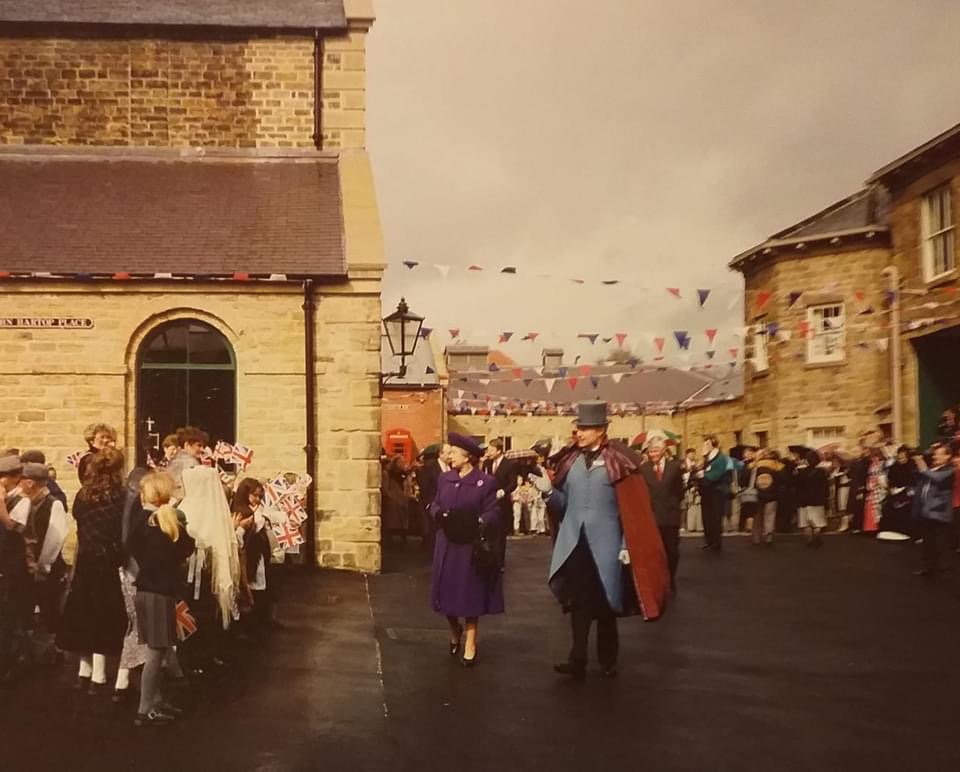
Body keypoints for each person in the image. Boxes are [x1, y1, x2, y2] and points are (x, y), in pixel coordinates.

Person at [538, 401, 669, 680]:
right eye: (578, 428)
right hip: (575, 544)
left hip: (608, 547)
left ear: (600, 430)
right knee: (579, 604)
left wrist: (625, 545)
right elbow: (565, 506)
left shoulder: (618, 461)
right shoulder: (570, 461)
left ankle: (608, 659)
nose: (579, 433)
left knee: (607, 603)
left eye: (585, 429)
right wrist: (549, 493)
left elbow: (631, 510)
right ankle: (578, 659)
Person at [57, 447, 129, 693]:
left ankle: (84, 671)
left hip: (86, 559)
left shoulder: (83, 494)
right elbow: (123, 530)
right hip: (109, 561)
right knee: (104, 615)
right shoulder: (121, 496)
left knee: (83, 612)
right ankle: (99, 676)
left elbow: (79, 519)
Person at [429, 433, 502, 667]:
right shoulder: (445, 479)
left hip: (470, 545)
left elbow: (494, 512)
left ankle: (471, 642)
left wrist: (480, 522)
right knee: (446, 592)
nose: (449, 456)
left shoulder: (486, 482)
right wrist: (437, 513)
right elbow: (435, 503)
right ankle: (454, 629)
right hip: (447, 543)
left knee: (470, 594)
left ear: (467, 456)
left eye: (454, 452)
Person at [128, 473, 196, 726]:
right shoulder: (163, 522)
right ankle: (145, 710)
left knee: (158, 649)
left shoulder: (141, 521)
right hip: (160, 592)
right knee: (156, 654)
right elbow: (185, 548)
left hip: (146, 589)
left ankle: (155, 700)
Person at [638, 441, 684, 590]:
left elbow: (680, 491)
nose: (653, 455)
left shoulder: (674, 467)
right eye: (651, 452)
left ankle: (671, 577)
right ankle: (658, 579)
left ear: (664, 451)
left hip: (670, 516)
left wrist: (673, 504)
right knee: (655, 552)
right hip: (652, 516)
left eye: (656, 451)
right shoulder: (644, 469)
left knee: (671, 551)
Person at [232, 477, 275, 630]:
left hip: (258, 555)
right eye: (254, 495)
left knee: (260, 587)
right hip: (249, 556)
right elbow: (246, 534)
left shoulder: (254, 509)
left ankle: (261, 620)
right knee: (250, 589)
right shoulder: (242, 511)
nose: (257, 499)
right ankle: (251, 624)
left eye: (259, 496)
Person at [912, 444, 955, 577]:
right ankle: (928, 567)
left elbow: (937, 478)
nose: (935, 456)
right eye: (935, 454)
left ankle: (944, 569)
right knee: (928, 542)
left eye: (939, 454)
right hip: (926, 511)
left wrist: (922, 467)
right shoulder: (933, 469)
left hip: (939, 512)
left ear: (948, 456)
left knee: (940, 543)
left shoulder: (949, 470)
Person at [482, 438, 518, 559]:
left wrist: (504, 491)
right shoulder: (487, 463)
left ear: (498, 451)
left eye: (491, 450)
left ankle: (499, 562)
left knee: (500, 534)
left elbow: (513, 483)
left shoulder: (510, 464)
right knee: (488, 533)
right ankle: (489, 559)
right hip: (488, 503)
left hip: (502, 504)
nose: (489, 452)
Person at [697, 436, 730, 552]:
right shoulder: (706, 458)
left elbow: (716, 474)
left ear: (713, 444)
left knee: (715, 518)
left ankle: (716, 543)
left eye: (707, 444)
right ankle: (709, 541)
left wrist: (704, 475)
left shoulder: (721, 458)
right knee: (706, 518)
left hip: (716, 492)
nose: (705, 446)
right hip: (706, 492)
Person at [879, 446, 917, 540]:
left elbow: (914, 481)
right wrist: (891, 488)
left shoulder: (912, 466)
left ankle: (907, 532)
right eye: (899, 458)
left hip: (908, 493)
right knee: (888, 509)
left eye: (903, 458)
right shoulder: (894, 467)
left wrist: (906, 489)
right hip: (895, 492)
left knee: (906, 511)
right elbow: (890, 480)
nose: (901, 460)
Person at [166, 426, 208, 501]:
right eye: (199, 445)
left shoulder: (175, 460)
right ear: (187, 445)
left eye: (203, 446)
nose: (202, 449)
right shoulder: (191, 463)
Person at [796, 451, 829, 547]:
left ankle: (809, 540)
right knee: (818, 522)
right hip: (817, 500)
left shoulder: (801, 472)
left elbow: (797, 487)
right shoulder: (822, 472)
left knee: (805, 523)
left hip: (803, 501)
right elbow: (825, 487)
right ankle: (817, 535)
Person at [752, 449, 783, 546]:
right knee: (770, 515)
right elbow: (781, 480)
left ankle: (756, 537)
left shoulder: (755, 466)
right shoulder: (777, 465)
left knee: (757, 517)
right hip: (772, 495)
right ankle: (768, 535)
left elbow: (745, 477)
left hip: (757, 494)